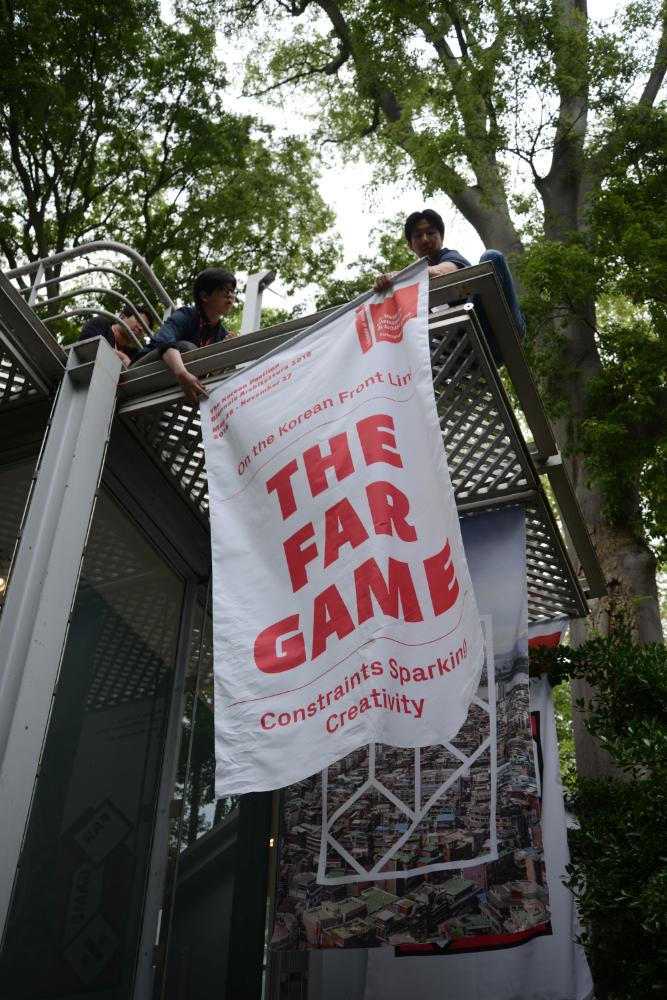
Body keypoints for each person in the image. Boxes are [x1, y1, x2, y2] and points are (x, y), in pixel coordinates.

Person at [374, 209, 526, 364]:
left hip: (495, 325)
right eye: (418, 236)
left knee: (492, 257)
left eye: (431, 232)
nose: (425, 240)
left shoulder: (449, 257)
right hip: (465, 348)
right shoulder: (413, 290)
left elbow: (443, 272)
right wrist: (384, 287)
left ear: (441, 237)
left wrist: (400, 277)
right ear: (410, 246)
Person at [131, 267, 237, 404]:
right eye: (223, 289)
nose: (230, 295)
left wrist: (223, 353)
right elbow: (164, 338)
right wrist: (181, 372)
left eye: (232, 291)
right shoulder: (187, 314)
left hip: (167, 391)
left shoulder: (221, 334)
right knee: (188, 349)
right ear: (204, 296)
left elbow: (212, 373)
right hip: (138, 374)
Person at [77, 306, 153, 368]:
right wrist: (123, 358)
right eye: (139, 322)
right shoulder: (100, 324)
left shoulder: (133, 353)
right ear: (122, 317)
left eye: (145, 329)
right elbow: (88, 347)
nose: (141, 329)